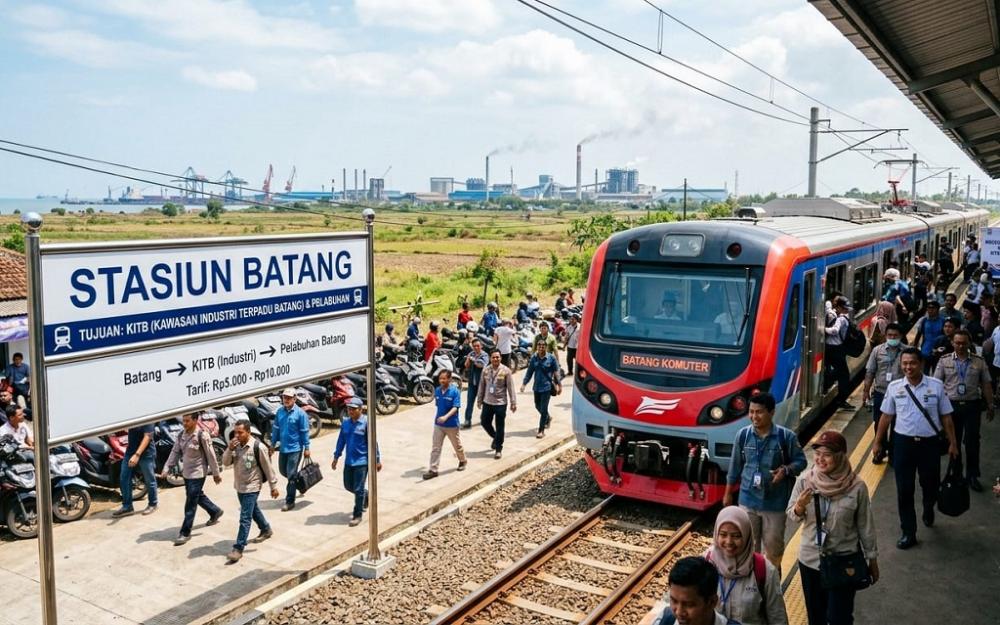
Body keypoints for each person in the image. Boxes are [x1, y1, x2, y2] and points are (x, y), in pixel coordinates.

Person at [787, 431, 879, 625]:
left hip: (844, 561)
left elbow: (865, 525)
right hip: (811, 560)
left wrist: (872, 559)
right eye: (817, 453)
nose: (820, 459)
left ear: (840, 456)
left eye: (827, 454)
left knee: (840, 618)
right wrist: (800, 506)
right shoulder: (805, 480)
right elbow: (792, 515)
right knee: (816, 617)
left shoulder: (857, 486)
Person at [873, 347, 959, 549]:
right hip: (903, 445)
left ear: (921, 364)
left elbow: (946, 417)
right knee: (904, 490)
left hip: (929, 445)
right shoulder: (894, 387)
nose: (908, 367)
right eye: (904, 363)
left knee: (930, 485)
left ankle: (928, 507)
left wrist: (953, 442)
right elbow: (886, 417)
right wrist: (878, 442)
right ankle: (908, 532)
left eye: (912, 363)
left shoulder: (936, 386)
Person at [723, 392, 806, 570]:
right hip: (747, 501)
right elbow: (735, 467)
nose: (754, 416)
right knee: (748, 548)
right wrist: (728, 494)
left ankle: (772, 588)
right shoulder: (743, 436)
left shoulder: (786, 437)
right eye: (751, 412)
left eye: (759, 412)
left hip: (775, 504)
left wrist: (785, 470)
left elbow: (801, 461)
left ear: (771, 412)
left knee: (773, 550)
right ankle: (752, 587)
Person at [703, 506, 788, 625]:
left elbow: (777, 618)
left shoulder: (765, 570)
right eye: (723, 535)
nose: (729, 542)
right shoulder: (706, 563)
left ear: (747, 535)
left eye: (736, 536)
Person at [934, 330, 994, 492]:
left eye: (963, 343)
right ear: (952, 343)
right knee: (954, 440)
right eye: (957, 343)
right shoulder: (944, 360)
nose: (960, 346)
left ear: (969, 344)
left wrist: (990, 404)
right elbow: (936, 385)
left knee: (972, 441)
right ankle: (957, 472)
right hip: (950, 406)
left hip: (972, 406)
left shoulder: (979, 362)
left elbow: (986, 384)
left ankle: (972, 475)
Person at [160, 413, 223, 546]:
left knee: (190, 502)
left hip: (199, 472)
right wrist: (167, 468)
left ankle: (185, 532)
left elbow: (211, 455)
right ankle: (215, 511)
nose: (185, 423)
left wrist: (216, 473)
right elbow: (175, 452)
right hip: (187, 473)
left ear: (195, 420)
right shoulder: (181, 435)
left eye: (188, 421)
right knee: (196, 495)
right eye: (183, 421)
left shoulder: (202, 435)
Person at [222, 420, 278, 563]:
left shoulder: (258, 447)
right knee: (253, 510)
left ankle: (238, 547)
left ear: (248, 432)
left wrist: (273, 486)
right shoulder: (235, 446)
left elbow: (268, 468)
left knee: (245, 517)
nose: (237, 435)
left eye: (240, 432)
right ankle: (266, 529)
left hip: (252, 486)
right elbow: (225, 462)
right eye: (235, 432)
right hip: (239, 485)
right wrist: (229, 449)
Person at [331, 397, 381, 527]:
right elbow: (341, 440)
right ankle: (365, 495)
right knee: (348, 485)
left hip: (362, 462)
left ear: (360, 409)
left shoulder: (366, 423)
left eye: (353, 409)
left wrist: (377, 459)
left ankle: (357, 515)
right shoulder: (346, 423)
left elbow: (373, 442)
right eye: (349, 409)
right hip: (349, 461)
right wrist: (336, 457)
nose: (350, 411)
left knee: (358, 489)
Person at [638, 556, 729, 625]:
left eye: (688, 605)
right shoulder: (665, 620)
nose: (679, 612)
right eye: (674, 601)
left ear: (712, 602)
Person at [862, 322, 904, 464]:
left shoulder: (906, 352)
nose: (892, 338)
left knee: (897, 424)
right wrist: (866, 391)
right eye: (889, 335)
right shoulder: (877, 351)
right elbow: (870, 371)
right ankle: (880, 450)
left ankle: (893, 453)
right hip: (881, 393)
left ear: (901, 336)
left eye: (895, 335)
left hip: (900, 394)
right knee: (879, 423)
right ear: (885, 336)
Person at [270, 388, 311, 512]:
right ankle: (300, 484)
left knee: (291, 475)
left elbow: (304, 432)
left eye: (288, 398)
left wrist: (307, 448)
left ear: (294, 399)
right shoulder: (279, 412)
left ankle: (290, 501)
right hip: (283, 448)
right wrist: (272, 445)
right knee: (284, 472)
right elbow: (276, 429)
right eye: (284, 397)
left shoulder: (301, 414)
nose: (286, 400)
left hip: (295, 449)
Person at [422, 370, 467, 480]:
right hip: (438, 424)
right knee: (436, 447)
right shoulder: (437, 391)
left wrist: (445, 417)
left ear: (450, 379)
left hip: (451, 425)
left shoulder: (455, 391)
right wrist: (440, 418)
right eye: (440, 379)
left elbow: (455, 407)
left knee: (457, 445)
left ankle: (462, 460)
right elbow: (438, 405)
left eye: (444, 378)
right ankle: (433, 469)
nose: (442, 381)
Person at [111, 423, 159, 518]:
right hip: (130, 452)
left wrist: (137, 455)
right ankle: (127, 506)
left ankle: (153, 504)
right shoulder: (132, 416)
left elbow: (148, 436)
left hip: (146, 453)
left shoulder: (147, 417)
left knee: (149, 479)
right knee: (124, 478)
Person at [477, 351, 517, 459]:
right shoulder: (485, 370)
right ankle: (496, 437)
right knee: (484, 422)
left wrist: (513, 402)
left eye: (497, 357)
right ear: (490, 358)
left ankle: (498, 449)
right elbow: (481, 386)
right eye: (493, 357)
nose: (496, 359)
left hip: (500, 403)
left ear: (500, 358)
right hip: (487, 402)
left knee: (500, 426)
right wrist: (479, 400)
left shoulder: (506, 371)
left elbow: (511, 388)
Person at [521, 341, 561, 438]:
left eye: (543, 346)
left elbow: (556, 372)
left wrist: (559, 384)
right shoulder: (534, 358)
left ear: (546, 347)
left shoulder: (551, 358)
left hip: (546, 387)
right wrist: (524, 384)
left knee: (543, 409)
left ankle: (541, 430)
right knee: (537, 405)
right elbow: (529, 372)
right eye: (539, 346)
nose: (541, 348)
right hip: (537, 387)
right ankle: (548, 417)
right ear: (537, 347)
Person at [824, 295, 854, 410]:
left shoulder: (839, 317)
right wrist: (822, 329)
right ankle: (841, 399)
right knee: (843, 374)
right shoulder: (842, 318)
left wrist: (823, 329)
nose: (846, 310)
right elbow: (835, 330)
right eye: (844, 308)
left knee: (840, 372)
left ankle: (827, 384)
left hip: (834, 348)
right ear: (840, 307)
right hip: (835, 349)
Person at [462, 339, 488, 429]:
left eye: (478, 346)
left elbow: (482, 365)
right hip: (472, 383)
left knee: (484, 402)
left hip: (482, 383)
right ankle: (467, 420)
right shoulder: (471, 354)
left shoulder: (484, 355)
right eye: (474, 346)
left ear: (481, 346)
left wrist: (473, 360)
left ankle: (485, 418)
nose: (476, 348)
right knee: (469, 402)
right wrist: (469, 359)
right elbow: (466, 365)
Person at [914, 299, 945, 366]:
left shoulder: (943, 321)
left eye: (933, 308)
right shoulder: (923, 321)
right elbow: (919, 333)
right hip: (925, 351)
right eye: (929, 308)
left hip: (938, 352)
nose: (930, 310)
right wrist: (915, 346)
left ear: (938, 309)